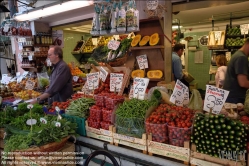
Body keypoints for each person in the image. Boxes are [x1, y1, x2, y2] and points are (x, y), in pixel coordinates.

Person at [223, 38, 249, 104]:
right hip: (235, 99)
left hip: (232, 97)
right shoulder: (241, 57)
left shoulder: (237, 54)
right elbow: (243, 83)